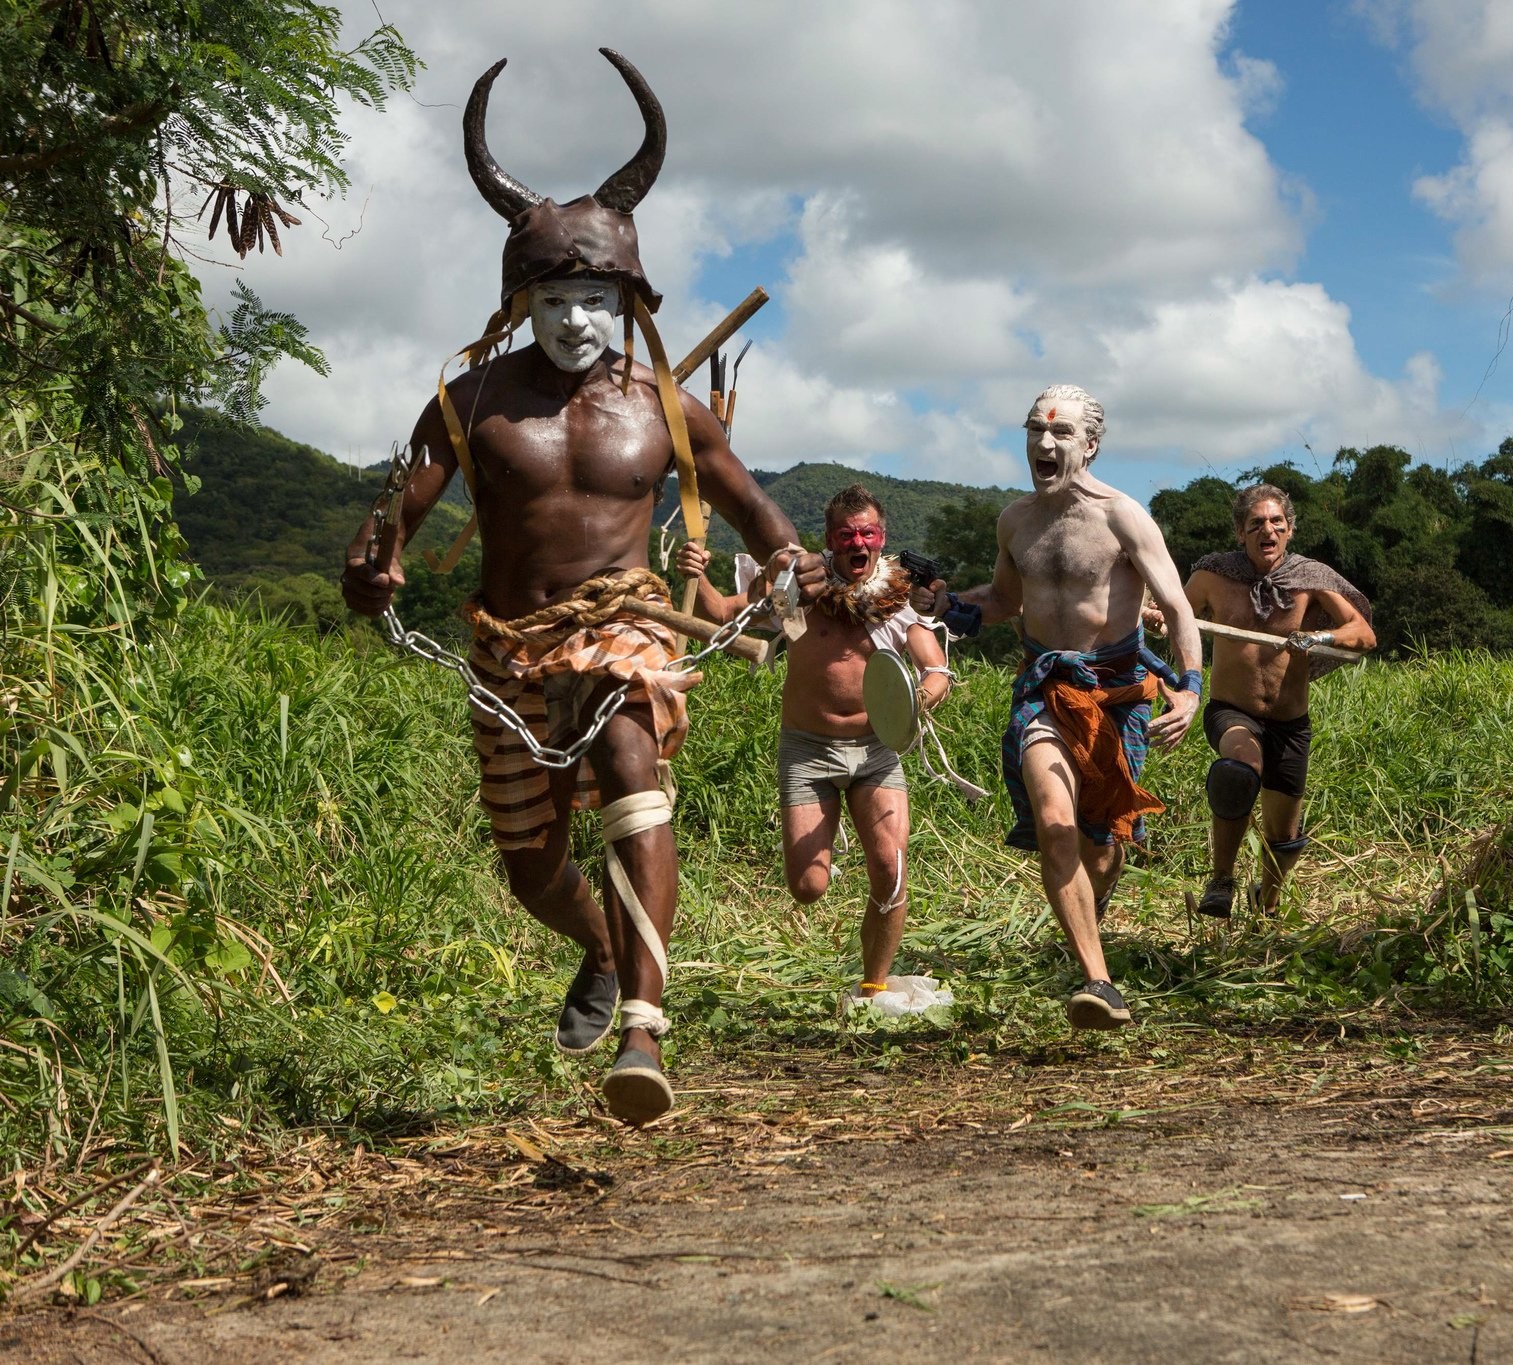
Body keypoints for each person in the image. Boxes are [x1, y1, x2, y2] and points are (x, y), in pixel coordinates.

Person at [339, 51, 822, 1126]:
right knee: (531, 866)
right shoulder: (468, 403)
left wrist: (793, 560)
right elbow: (391, 524)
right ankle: (601, 950)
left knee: (627, 757)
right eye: (553, 300)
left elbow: (757, 511)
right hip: (507, 646)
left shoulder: (667, 409)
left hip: (624, 626)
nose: (574, 321)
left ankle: (644, 1030)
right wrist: (373, 570)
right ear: (521, 303)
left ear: (628, 300)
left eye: (594, 299)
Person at [911, 385, 1203, 1029]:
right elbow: (1004, 600)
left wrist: (1189, 688)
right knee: (1055, 820)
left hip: (1116, 692)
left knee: (1102, 847)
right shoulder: (1015, 521)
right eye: (1035, 431)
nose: (1044, 443)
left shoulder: (1124, 517)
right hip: (1044, 689)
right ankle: (1099, 983)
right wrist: (949, 606)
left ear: (1090, 445)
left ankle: (1082, 930)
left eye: (1062, 433)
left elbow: (1178, 608)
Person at [678, 485, 952, 1004]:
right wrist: (697, 574)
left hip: (876, 750)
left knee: (891, 870)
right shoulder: (797, 590)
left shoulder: (896, 600)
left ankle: (873, 987)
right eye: (847, 535)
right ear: (829, 539)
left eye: (867, 533)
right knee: (808, 887)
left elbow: (936, 668)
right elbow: (722, 614)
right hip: (807, 750)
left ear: (881, 538)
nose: (858, 543)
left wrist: (917, 699)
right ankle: (825, 885)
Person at [1167, 484, 1374, 918]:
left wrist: (1318, 637)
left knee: (1285, 838)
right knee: (1240, 769)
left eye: (1277, 522)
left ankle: (1267, 903)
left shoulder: (1309, 578)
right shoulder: (1212, 575)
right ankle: (1221, 879)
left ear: (1290, 529)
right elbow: (1178, 617)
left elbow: (1362, 633)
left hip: (1289, 723)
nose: (1268, 530)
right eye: (1257, 523)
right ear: (1240, 532)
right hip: (1232, 711)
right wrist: (1159, 619)